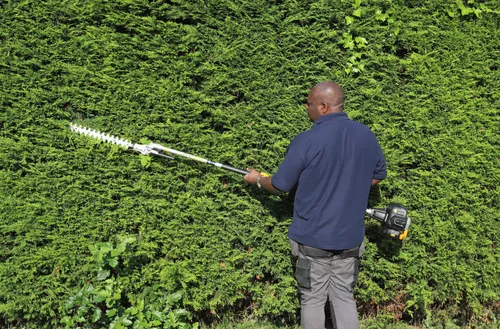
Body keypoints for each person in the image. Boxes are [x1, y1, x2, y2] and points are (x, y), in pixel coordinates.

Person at [244, 81, 387, 329]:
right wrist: (350, 186)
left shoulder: (306, 140)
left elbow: (280, 184)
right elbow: (378, 175)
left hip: (312, 239)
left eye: (309, 103)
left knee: (312, 299)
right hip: (350, 239)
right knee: (344, 296)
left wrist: (257, 179)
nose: (306, 107)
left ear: (322, 107)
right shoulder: (366, 135)